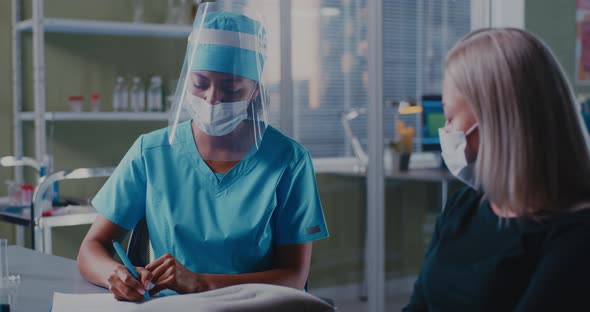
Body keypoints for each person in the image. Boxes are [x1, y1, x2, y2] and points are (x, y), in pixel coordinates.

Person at [77, 3, 328, 302]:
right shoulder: (152, 152)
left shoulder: (288, 161)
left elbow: (293, 276)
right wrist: (114, 275)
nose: (212, 99)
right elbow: (92, 246)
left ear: (255, 91)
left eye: (232, 89)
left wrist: (200, 283)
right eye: (200, 83)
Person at [403, 28, 590, 311]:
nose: (446, 131)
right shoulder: (462, 208)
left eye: (450, 116)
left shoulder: (576, 238)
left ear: (495, 121)